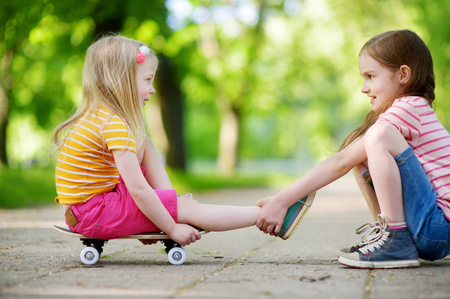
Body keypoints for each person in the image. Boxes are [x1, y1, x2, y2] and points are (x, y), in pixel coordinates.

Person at [256, 29, 450, 269]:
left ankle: (396, 241)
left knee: (378, 136)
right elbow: (347, 160)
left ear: (403, 75)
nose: (363, 88)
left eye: (370, 76)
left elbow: (340, 162)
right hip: (432, 228)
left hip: (437, 228)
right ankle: (386, 235)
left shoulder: (409, 108)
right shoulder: (410, 110)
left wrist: (281, 200)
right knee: (364, 157)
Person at [52, 34, 265, 247]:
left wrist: (158, 215)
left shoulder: (98, 116)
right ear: (121, 81)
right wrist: (171, 229)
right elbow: (138, 190)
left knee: (144, 143)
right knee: (188, 208)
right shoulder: (112, 124)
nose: (153, 89)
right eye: (147, 80)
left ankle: (170, 205)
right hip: (92, 214)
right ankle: (263, 215)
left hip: (84, 210)